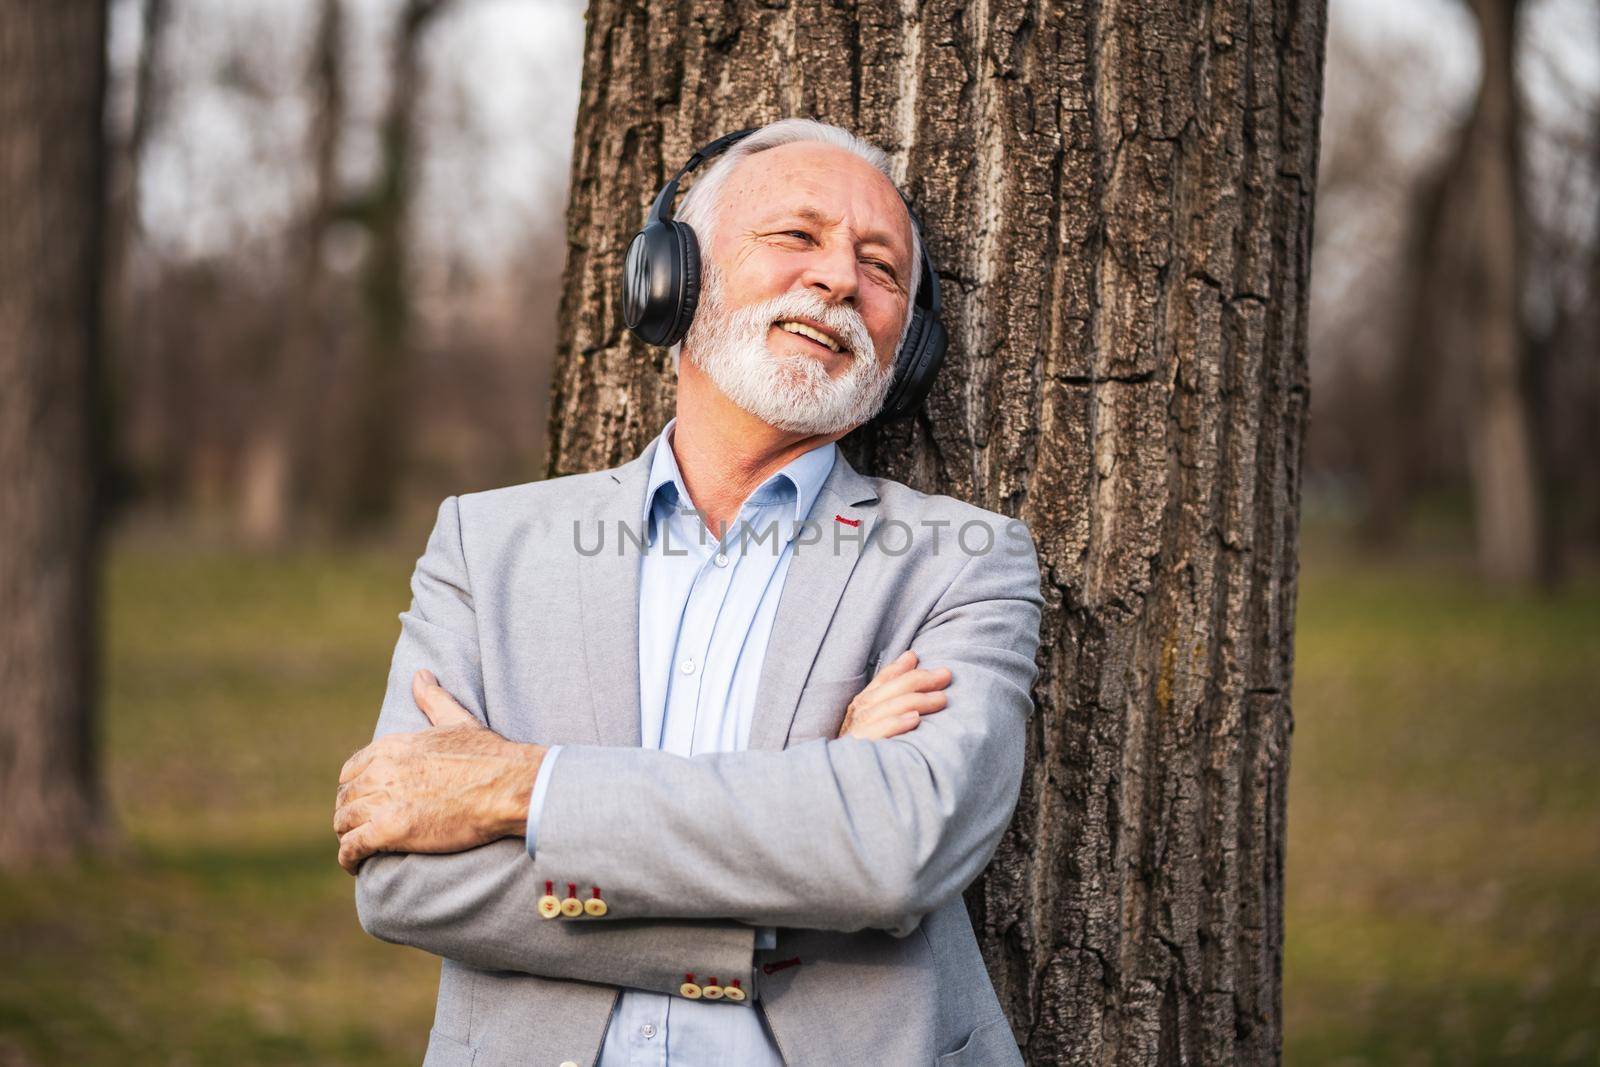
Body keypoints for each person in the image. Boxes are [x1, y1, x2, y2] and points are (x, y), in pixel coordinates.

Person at [332, 118, 1043, 1067]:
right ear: (674, 277)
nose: (839, 277)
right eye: (797, 236)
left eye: (881, 267)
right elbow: (404, 880)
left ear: (904, 350)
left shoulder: (961, 558)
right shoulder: (488, 543)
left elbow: (895, 843)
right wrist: (785, 864)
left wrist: (518, 787)